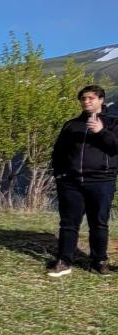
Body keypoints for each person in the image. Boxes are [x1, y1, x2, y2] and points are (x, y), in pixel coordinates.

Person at [47, 84, 117, 277]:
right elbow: (58, 152)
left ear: (101, 100)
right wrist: (60, 176)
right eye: (83, 99)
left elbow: (115, 147)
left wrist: (101, 131)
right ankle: (64, 261)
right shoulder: (72, 125)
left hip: (101, 181)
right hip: (71, 182)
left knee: (99, 223)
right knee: (68, 223)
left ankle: (99, 261)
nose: (86, 102)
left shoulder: (113, 123)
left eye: (91, 98)